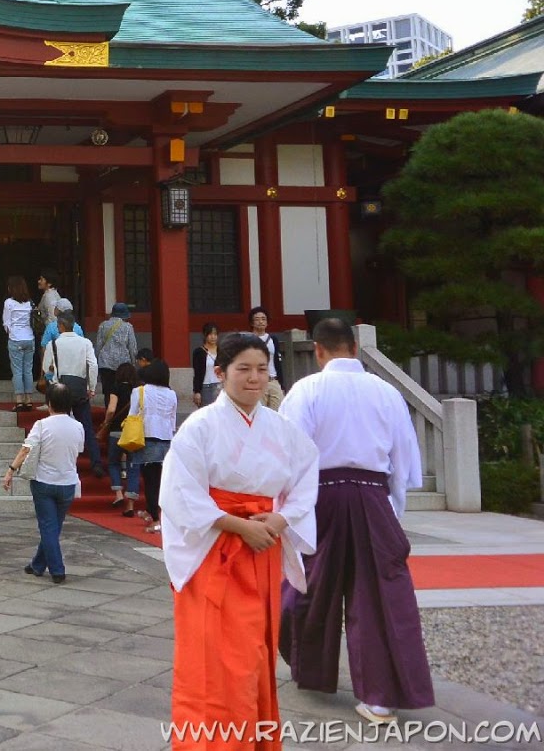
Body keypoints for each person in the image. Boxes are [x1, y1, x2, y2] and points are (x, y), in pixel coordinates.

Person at [160, 332, 319, 751]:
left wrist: (282, 518)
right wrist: (235, 524)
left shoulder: (281, 428)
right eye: (243, 369)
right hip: (215, 548)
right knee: (215, 656)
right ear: (220, 372)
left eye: (262, 369)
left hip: (263, 544)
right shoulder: (200, 427)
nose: (254, 378)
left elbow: (307, 477)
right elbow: (179, 491)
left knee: (254, 655)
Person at [278, 318, 435, 725]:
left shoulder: (306, 390)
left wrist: (289, 511)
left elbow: (290, 455)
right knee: (380, 595)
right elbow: (402, 459)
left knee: (306, 584)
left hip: (320, 495)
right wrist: (391, 508)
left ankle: (308, 667)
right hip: (372, 494)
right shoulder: (386, 392)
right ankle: (380, 698)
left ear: (318, 350)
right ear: (353, 347)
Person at [2, 382, 84, 584]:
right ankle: (37, 565)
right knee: (53, 527)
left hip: (44, 482)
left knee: (48, 527)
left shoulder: (42, 425)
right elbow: (79, 450)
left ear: (49, 403)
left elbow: (26, 450)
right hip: (67, 482)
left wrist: (11, 470)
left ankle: (57, 569)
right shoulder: (78, 427)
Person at [42, 311, 100, 473]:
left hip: (60, 390)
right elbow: (93, 366)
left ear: (60, 326)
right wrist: (91, 387)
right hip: (79, 388)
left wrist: (54, 371)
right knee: (87, 427)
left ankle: (62, 463)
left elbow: (46, 368)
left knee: (60, 428)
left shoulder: (53, 344)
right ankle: (96, 463)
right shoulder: (85, 343)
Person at [133, 357, 179, 532]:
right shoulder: (172, 394)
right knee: (160, 479)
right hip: (166, 438)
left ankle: (154, 517)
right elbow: (173, 418)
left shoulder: (140, 391)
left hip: (147, 436)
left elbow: (132, 414)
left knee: (149, 479)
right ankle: (151, 510)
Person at [101, 361, 141, 516]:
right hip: (133, 432)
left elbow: (111, 409)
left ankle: (118, 494)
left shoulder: (115, 387)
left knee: (113, 463)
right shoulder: (138, 390)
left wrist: (106, 422)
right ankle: (130, 505)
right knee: (133, 466)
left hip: (116, 430)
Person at [93, 303, 138, 407]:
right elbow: (132, 347)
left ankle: (109, 411)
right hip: (123, 365)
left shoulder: (103, 325)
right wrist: (133, 363)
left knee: (108, 391)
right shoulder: (128, 327)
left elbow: (98, 346)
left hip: (105, 364)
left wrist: (97, 360)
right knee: (123, 390)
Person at [1, 276, 37, 409]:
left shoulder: (9, 303)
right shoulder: (30, 303)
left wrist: (11, 332)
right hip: (29, 338)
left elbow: (6, 322)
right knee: (28, 370)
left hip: (15, 338)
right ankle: (29, 399)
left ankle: (19, 400)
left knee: (17, 371)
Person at [249, 305, 284, 386]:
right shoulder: (247, 339)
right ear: (252, 323)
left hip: (272, 379)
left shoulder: (273, 339)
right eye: (257, 319)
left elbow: (277, 361)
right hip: (255, 381)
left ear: (267, 322)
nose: (261, 322)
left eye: (263, 319)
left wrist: (281, 383)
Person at [190, 323, 220, 407]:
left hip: (220, 387)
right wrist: (197, 391)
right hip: (206, 387)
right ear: (205, 335)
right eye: (210, 334)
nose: (213, 337)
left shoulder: (222, 350)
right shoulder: (199, 352)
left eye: (215, 334)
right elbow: (197, 373)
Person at [33, 272, 62, 345]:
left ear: (49, 283)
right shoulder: (53, 293)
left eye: (41, 279)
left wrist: (47, 334)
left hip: (51, 335)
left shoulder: (49, 296)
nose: (39, 281)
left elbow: (52, 317)